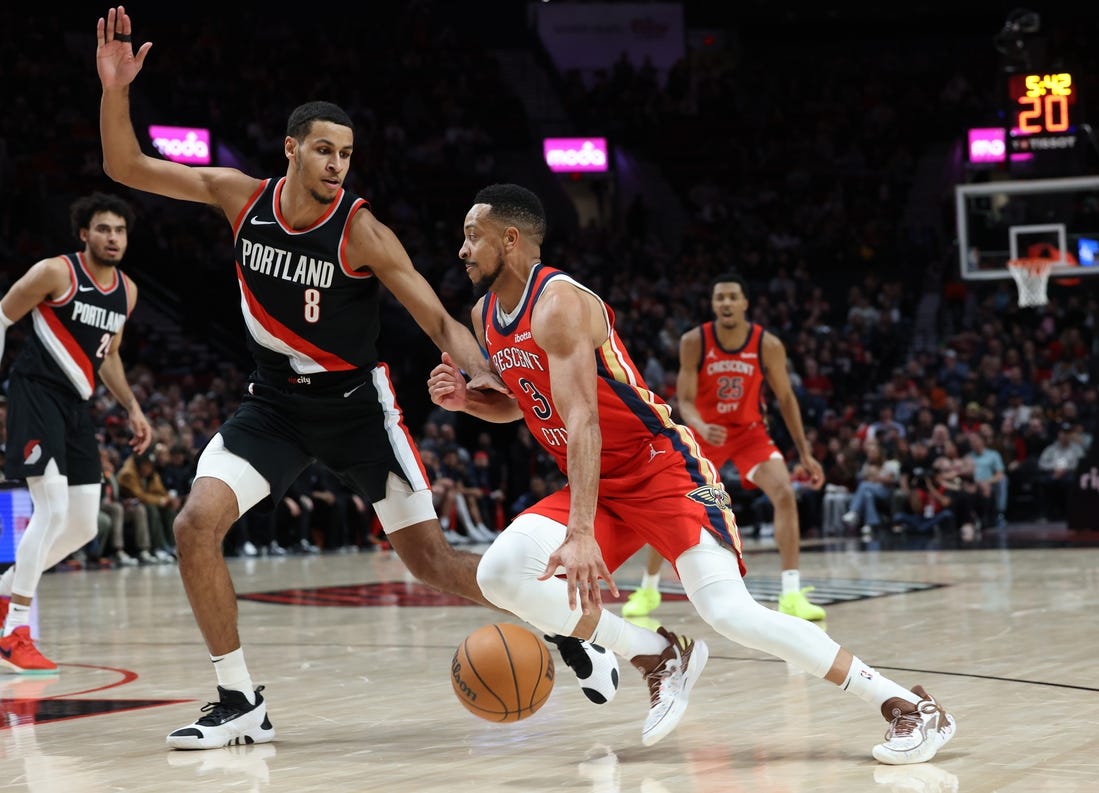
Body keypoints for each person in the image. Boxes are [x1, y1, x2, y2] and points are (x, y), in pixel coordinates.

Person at [95, 7, 614, 750]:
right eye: (323, 150)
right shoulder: (238, 196)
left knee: (431, 562)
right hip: (273, 407)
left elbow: (439, 322)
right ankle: (239, 700)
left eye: (345, 153)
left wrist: (489, 373)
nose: (337, 164)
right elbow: (125, 168)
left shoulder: (361, 231)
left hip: (357, 411)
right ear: (291, 150)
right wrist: (116, 89)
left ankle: (564, 629)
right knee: (192, 525)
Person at [428, 183, 955, 763]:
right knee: (500, 573)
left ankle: (907, 704)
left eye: (473, 236)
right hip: (599, 481)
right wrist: (469, 402)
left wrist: (579, 531)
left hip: (660, 468)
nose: (463, 249)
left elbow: (583, 418)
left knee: (729, 612)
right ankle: (656, 656)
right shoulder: (485, 314)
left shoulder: (558, 303)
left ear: (510, 238)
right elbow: (526, 403)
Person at [0, 191, 153, 671]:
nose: (113, 237)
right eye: (103, 229)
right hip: (35, 392)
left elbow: (109, 356)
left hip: (76, 403)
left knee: (84, 524)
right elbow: (1, 316)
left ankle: (4, 591)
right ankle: (15, 630)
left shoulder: (127, 291)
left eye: (120, 230)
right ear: (84, 234)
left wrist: (132, 407)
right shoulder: (56, 272)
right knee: (52, 509)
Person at [622, 272, 826, 622]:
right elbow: (685, 400)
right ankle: (648, 588)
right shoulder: (694, 341)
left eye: (733, 297)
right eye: (720, 298)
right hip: (706, 433)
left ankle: (791, 594)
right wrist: (701, 426)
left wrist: (804, 453)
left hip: (749, 432)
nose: (726, 303)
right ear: (713, 304)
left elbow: (786, 398)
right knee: (669, 506)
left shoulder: (767, 344)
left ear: (745, 302)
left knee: (784, 493)